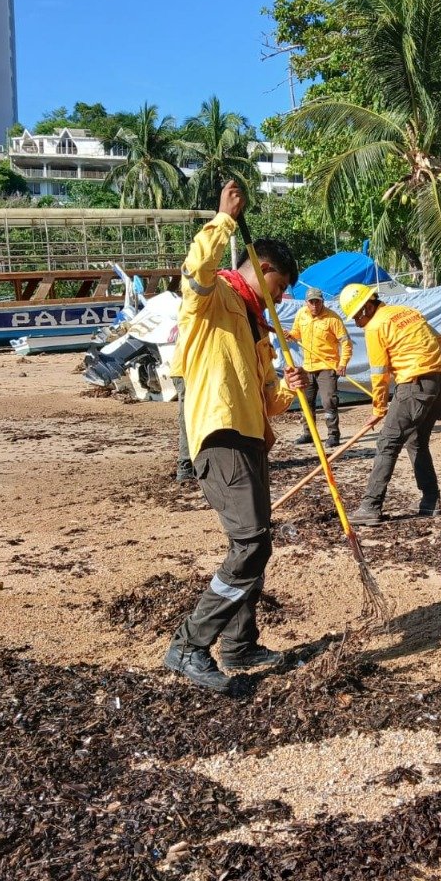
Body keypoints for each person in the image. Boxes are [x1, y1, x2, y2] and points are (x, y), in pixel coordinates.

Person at [164, 181, 308, 693]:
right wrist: (223, 219)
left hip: (251, 439)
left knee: (254, 543)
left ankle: (240, 644)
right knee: (250, 544)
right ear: (262, 268)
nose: (283, 297)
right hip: (220, 435)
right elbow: (195, 270)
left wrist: (288, 390)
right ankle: (189, 645)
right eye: (281, 286)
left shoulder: (256, 325)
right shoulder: (215, 297)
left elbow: (266, 398)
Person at [338, 283, 441, 525]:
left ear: (368, 307)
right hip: (438, 379)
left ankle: (370, 507)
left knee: (387, 443)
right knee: (416, 441)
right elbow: (438, 339)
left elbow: (379, 373)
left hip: (414, 383)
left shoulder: (375, 326)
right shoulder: (407, 312)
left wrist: (378, 408)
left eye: (357, 316)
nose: (357, 322)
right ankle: (431, 500)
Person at [287, 286, 353, 448]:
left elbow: (346, 342)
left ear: (322, 301)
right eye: (312, 302)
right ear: (306, 302)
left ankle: (333, 435)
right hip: (308, 367)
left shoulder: (333, 318)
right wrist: (290, 335)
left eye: (318, 302)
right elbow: (296, 333)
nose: (315, 305)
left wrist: (343, 363)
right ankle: (308, 433)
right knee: (306, 402)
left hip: (327, 367)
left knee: (328, 401)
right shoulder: (301, 314)